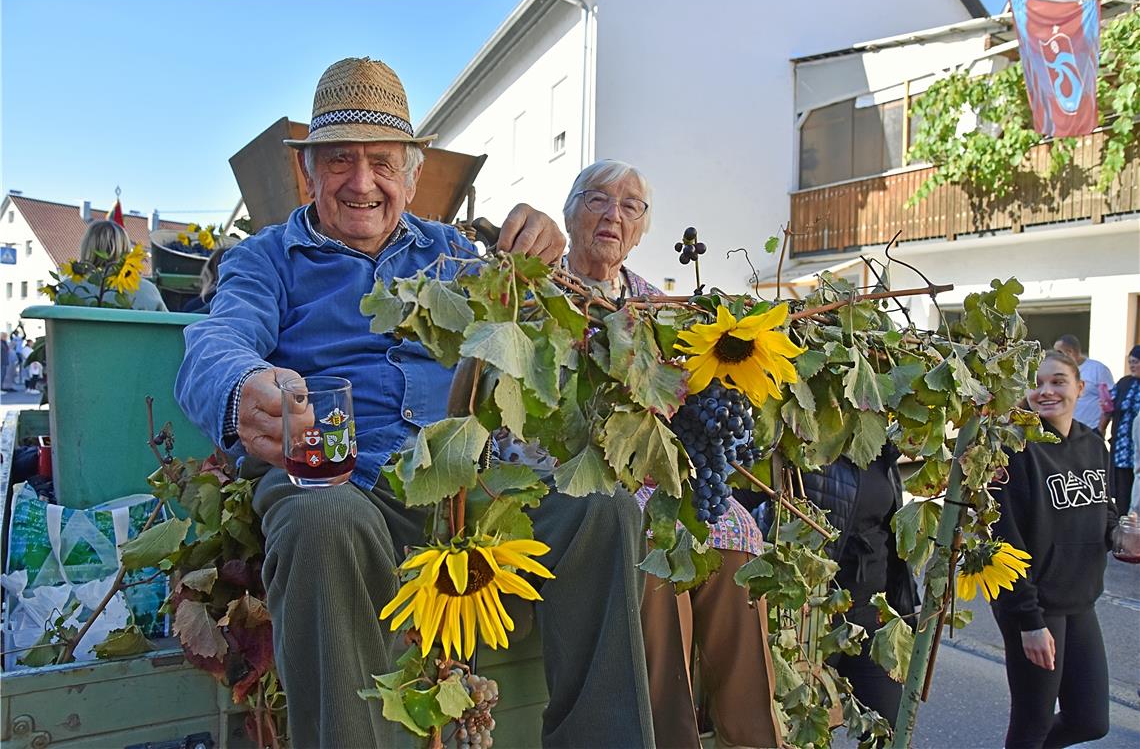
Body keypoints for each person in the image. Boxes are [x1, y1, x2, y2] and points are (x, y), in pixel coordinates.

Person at [175, 58, 655, 748]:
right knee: (321, 521)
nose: (362, 182)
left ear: (412, 173)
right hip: (348, 486)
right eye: (340, 160)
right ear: (308, 173)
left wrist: (543, 257)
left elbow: (538, 326)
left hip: (470, 493)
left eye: (381, 162)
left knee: (602, 509)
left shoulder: (455, 254)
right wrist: (241, 387)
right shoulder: (267, 259)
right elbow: (214, 342)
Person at [559, 159, 781, 747]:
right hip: (573, 478)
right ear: (571, 212)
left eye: (631, 206)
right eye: (598, 199)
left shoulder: (660, 308)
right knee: (650, 536)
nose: (614, 215)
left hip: (650, 471)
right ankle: (669, 736)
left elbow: (688, 407)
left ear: (642, 228)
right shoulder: (538, 292)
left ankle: (751, 737)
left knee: (733, 528)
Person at [989, 350, 1117, 749]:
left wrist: (1120, 537)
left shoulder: (1093, 443)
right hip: (1033, 605)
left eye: (1058, 381)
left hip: (1080, 600)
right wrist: (1029, 621)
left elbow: (1105, 511)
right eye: (1037, 382)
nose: (1046, 391)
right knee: (1033, 722)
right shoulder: (1013, 451)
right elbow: (1003, 541)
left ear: (1080, 388)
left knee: (1090, 720)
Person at [799, 444, 918, 727]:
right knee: (809, 730)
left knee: (889, 730)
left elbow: (890, 533)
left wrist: (905, 601)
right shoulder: (801, 439)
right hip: (812, 618)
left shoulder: (879, 447)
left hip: (872, 615)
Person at [59, 220, 168, 311]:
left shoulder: (68, 288)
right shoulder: (147, 290)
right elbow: (167, 329)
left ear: (86, 248)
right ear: (125, 249)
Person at [1104, 345, 1140, 516]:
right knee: (1123, 493)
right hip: (1124, 451)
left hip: (1137, 448)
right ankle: (1126, 530)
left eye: (1136, 362)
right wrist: (1099, 430)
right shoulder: (1124, 383)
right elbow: (1108, 408)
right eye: (1130, 362)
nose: (1132, 366)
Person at [1053, 335, 1113, 433]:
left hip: (1091, 429)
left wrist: (1101, 429)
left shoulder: (1098, 369)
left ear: (1070, 352)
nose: (1056, 356)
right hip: (1065, 430)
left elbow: (1108, 402)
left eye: (1059, 352)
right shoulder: (1059, 370)